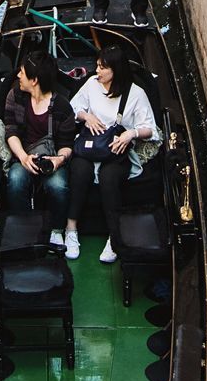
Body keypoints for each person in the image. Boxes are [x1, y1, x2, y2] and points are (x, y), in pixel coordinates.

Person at [64, 45, 160, 262]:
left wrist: (130, 134)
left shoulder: (136, 94)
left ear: (115, 70)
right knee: (79, 171)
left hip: (117, 149)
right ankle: (71, 229)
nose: (97, 71)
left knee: (109, 178)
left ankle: (114, 237)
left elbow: (150, 129)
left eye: (102, 68)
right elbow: (72, 108)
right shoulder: (91, 84)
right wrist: (86, 117)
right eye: (97, 66)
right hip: (90, 145)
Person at [4, 49, 75, 245]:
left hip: (52, 158)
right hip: (24, 154)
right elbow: (11, 132)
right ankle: (26, 229)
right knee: (16, 178)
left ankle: (56, 229)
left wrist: (58, 160)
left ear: (34, 80)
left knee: (58, 186)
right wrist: (24, 157)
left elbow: (67, 145)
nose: (18, 75)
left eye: (22, 73)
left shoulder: (62, 106)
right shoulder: (15, 95)